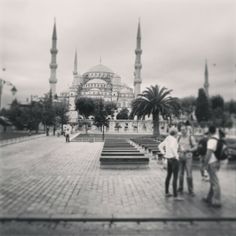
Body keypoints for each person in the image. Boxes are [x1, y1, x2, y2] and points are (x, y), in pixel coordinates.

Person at [159, 127, 183, 201]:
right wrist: (177, 156)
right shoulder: (174, 139)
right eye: (177, 133)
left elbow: (160, 146)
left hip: (168, 159)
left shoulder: (167, 138)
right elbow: (172, 147)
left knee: (168, 175)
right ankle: (175, 195)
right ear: (175, 133)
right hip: (174, 159)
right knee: (175, 177)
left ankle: (167, 192)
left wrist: (164, 153)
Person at [202, 125, 222, 208]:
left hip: (211, 162)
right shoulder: (217, 139)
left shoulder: (211, 141)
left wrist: (204, 164)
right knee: (212, 181)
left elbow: (208, 154)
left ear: (210, 132)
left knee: (214, 182)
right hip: (216, 161)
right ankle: (209, 197)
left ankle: (217, 201)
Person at [177, 124, 197, 196]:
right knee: (180, 174)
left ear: (186, 130)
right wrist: (177, 150)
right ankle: (180, 187)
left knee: (189, 174)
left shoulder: (190, 138)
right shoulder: (179, 137)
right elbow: (176, 146)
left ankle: (191, 190)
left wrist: (190, 149)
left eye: (184, 130)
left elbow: (195, 147)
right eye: (181, 130)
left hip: (188, 157)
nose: (182, 131)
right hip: (180, 157)